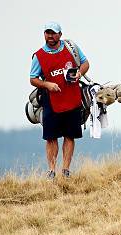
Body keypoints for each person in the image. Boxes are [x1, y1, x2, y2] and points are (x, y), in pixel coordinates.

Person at [29, 22, 89, 179]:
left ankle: (66, 170)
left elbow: (85, 63)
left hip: (73, 98)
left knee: (70, 135)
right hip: (51, 101)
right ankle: (51, 171)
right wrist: (47, 84)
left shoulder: (71, 47)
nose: (50, 36)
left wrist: (79, 74)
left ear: (60, 34)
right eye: (47, 33)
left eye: (53, 33)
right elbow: (33, 79)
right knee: (51, 137)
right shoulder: (39, 56)